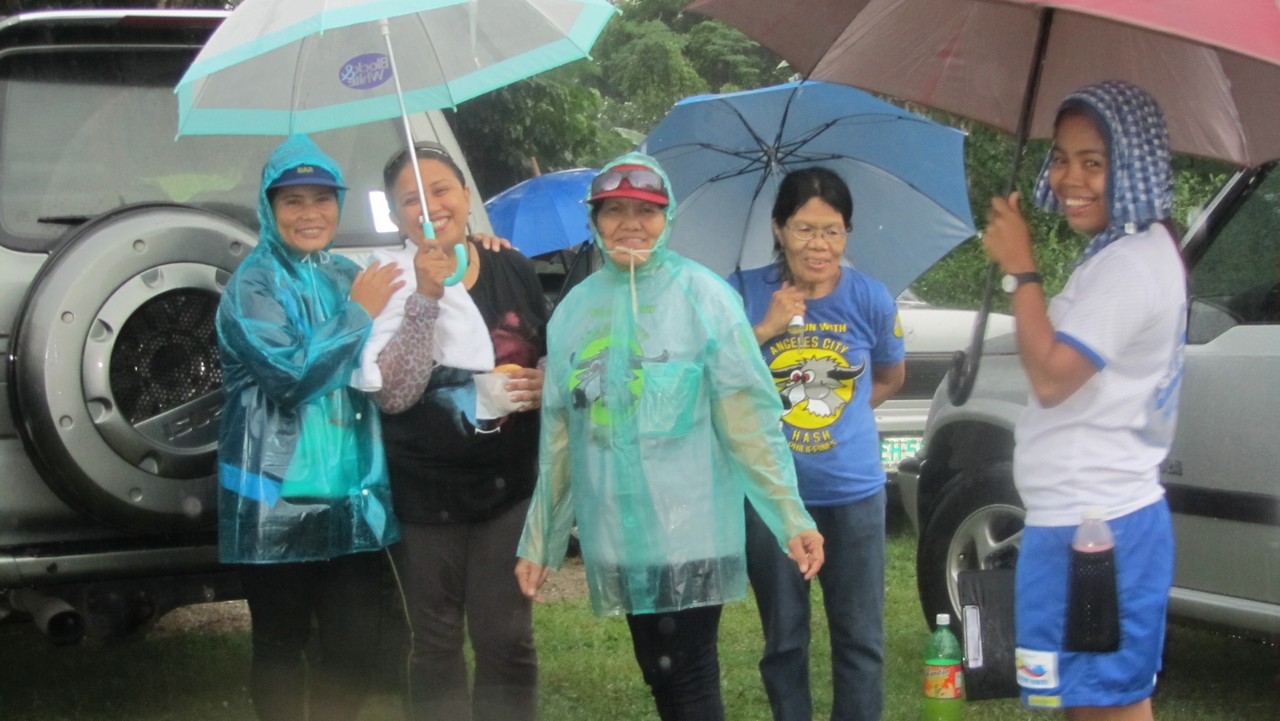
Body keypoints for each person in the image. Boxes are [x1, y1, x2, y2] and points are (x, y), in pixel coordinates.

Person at [514, 152, 826, 721]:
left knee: (687, 674)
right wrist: (540, 539)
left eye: (646, 211)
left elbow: (748, 421)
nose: (630, 224)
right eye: (614, 211)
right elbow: (560, 435)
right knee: (659, 671)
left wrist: (790, 516)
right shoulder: (574, 312)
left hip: (692, 531)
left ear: (668, 217)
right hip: (621, 531)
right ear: (595, 220)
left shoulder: (705, 297)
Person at [981, 80, 1185, 721]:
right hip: (1083, 521)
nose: (1071, 178)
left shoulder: (1131, 267)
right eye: (1063, 158)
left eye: (1093, 162)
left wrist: (1021, 270)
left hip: (1098, 530)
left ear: (1133, 166)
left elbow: (1052, 378)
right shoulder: (1123, 253)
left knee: (1106, 705)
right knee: (1083, 702)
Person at [216, 134, 403, 721]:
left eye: (322, 198)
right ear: (268, 207)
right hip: (275, 500)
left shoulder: (346, 274)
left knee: (354, 647)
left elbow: (419, 301)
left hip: (350, 495)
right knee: (280, 643)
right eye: (292, 200)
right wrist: (358, 313)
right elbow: (290, 376)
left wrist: (477, 252)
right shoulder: (251, 286)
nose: (310, 213)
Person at [371, 141, 548, 721]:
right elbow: (394, 394)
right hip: (423, 496)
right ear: (394, 215)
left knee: (506, 639)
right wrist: (425, 294)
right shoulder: (388, 280)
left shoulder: (510, 266)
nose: (430, 207)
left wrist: (545, 381)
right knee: (436, 644)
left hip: (507, 490)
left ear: (467, 195)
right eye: (410, 200)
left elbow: (552, 353)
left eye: (441, 189)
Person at [730, 166, 905, 721]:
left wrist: (834, 423)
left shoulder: (871, 298)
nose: (819, 245)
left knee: (860, 639)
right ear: (779, 229)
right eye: (804, 229)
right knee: (784, 641)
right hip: (772, 497)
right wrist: (766, 329)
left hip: (854, 494)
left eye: (832, 231)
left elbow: (888, 378)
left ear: (847, 233)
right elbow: (718, 376)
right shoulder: (741, 292)